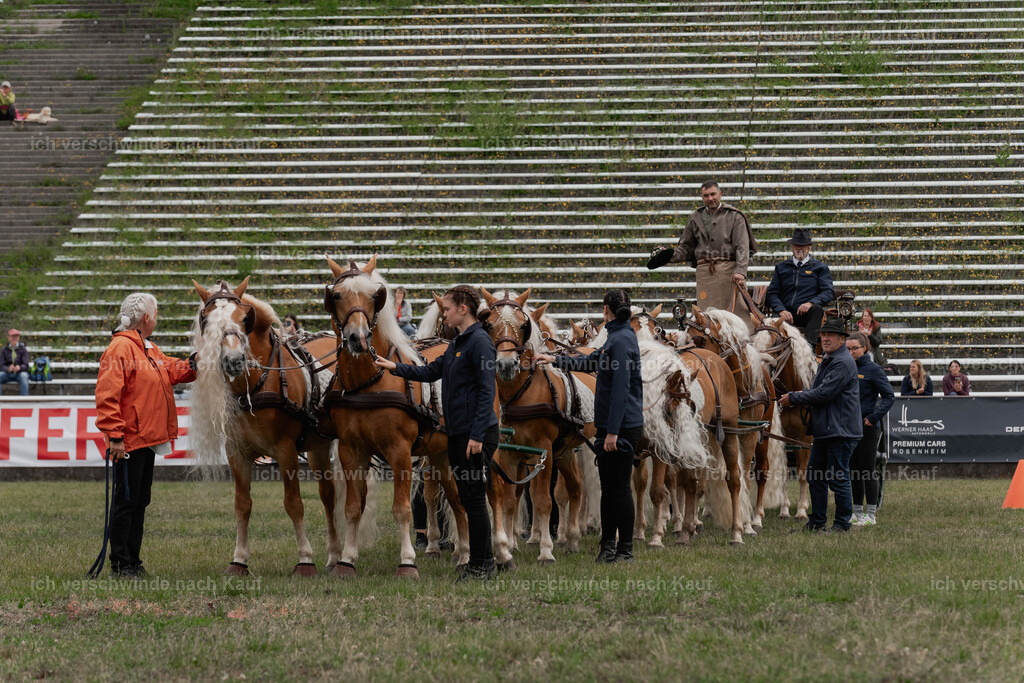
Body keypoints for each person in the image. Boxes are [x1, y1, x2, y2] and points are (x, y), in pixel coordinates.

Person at [374, 285, 499, 582]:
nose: (444, 314)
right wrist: (394, 366)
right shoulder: (457, 343)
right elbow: (430, 372)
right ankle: (483, 563)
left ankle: (482, 566)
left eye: (447, 309)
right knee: (468, 498)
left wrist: (477, 435)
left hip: (474, 434)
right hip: (458, 433)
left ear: (463, 309)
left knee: (474, 500)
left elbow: (487, 392)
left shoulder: (480, 342)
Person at [535, 289, 644, 563]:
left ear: (606, 310)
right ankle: (607, 547)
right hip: (611, 425)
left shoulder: (621, 340)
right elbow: (591, 361)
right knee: (609, 489)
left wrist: (613, 433)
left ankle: (625, 550)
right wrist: (555, 360)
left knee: (620, 488)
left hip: (620, 427)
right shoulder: (617, 336)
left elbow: (620, 391)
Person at [95, 293, 196, 578]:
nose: (157, 318)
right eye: (156, 313)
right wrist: (115, 436)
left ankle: (132, 562)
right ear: (147, 317)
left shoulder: (146, 347)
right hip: (129, 440)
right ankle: (121, 563)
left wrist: (195, 363)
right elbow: (107, 396)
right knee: (127, 501)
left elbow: (171, 369)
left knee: (139, 500)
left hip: (145, 438)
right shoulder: (121, 348)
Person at [779, 316, 861, 533]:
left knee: (838, 478)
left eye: (830, 335)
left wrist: (795, 397)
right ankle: (817, 522)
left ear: (842, 339)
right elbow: (820, 392)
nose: (825, 338)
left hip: (840, 431)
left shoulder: (842, 362)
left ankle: (842, 524)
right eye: (823, 334)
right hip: (827, 430)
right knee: (815, 475)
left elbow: (825, 393)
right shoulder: (830, 359)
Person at [667, 180, 756, 323]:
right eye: (706, 195)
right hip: (705, 274)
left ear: (720, 194)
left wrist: (740, 271)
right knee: (707, 318)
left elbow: (742, 246)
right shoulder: (695, 218)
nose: (710, 198)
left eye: (713, 194)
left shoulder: (734, 216)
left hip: (729, 273)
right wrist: (667, 255)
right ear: (702, 197)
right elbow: (685, 248)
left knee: (735, 317)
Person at [845, 332, 894, 527]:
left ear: (864, 348)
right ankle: (857, 513)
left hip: (868, 428)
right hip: (849, 427)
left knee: (867, 470)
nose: (850, 352)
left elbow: (889, 396)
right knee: (854, 471)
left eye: (854, 349)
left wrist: (873, 417)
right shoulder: (846, 367)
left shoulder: (873, 369)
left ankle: (871, 515)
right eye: (847, 349)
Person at [765, 228, 835, 348]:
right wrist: (781, 310)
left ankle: (810, 348)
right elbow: (772, 293)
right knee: (770, 323)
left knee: (817, 310)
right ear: (792, 247)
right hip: (785, 313)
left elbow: (828, 291)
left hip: (807, 314)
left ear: (809, 247)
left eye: (802, 246)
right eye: (796, 245)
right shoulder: (781, 267)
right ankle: (771, 352)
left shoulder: (820, 268)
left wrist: (811, 303)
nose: (799, 248)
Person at [1, 328, 30, 396]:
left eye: (16, 336)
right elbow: (1, 365)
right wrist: (8, 369)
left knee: (24, 376)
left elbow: (26, 365)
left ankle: (24, 399)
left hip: (20, 373)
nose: (15, 338)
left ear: (19, 337)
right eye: (13, 336)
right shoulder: (4, 350)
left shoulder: (23, 349)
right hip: (7, 373)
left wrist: (19, 367)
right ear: (9, 337)